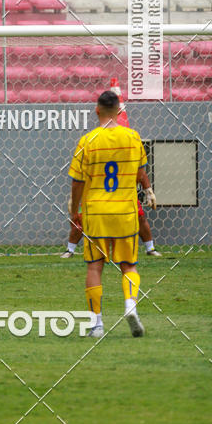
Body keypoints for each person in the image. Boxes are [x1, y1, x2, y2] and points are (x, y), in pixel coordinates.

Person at [68, 89, 155, 338]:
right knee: (129, 265)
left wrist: (75, 212)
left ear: (96, 110)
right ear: (119, 111)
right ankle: (130, 306)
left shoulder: (87, 141)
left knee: (95, 266)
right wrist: (148, 191)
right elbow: (140, 172)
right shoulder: (133, 137)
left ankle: (96, 324)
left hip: (96, 212)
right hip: (126, 211)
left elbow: (76, 182)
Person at [61, 196, 160, 258]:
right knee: (80, 219)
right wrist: (73, 197)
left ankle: (150, 249)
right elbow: (80, 177)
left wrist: (148, 190)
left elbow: (140, 172)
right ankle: (70, 250)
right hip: (98, 192)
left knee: (139, 217)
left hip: (122, 191)